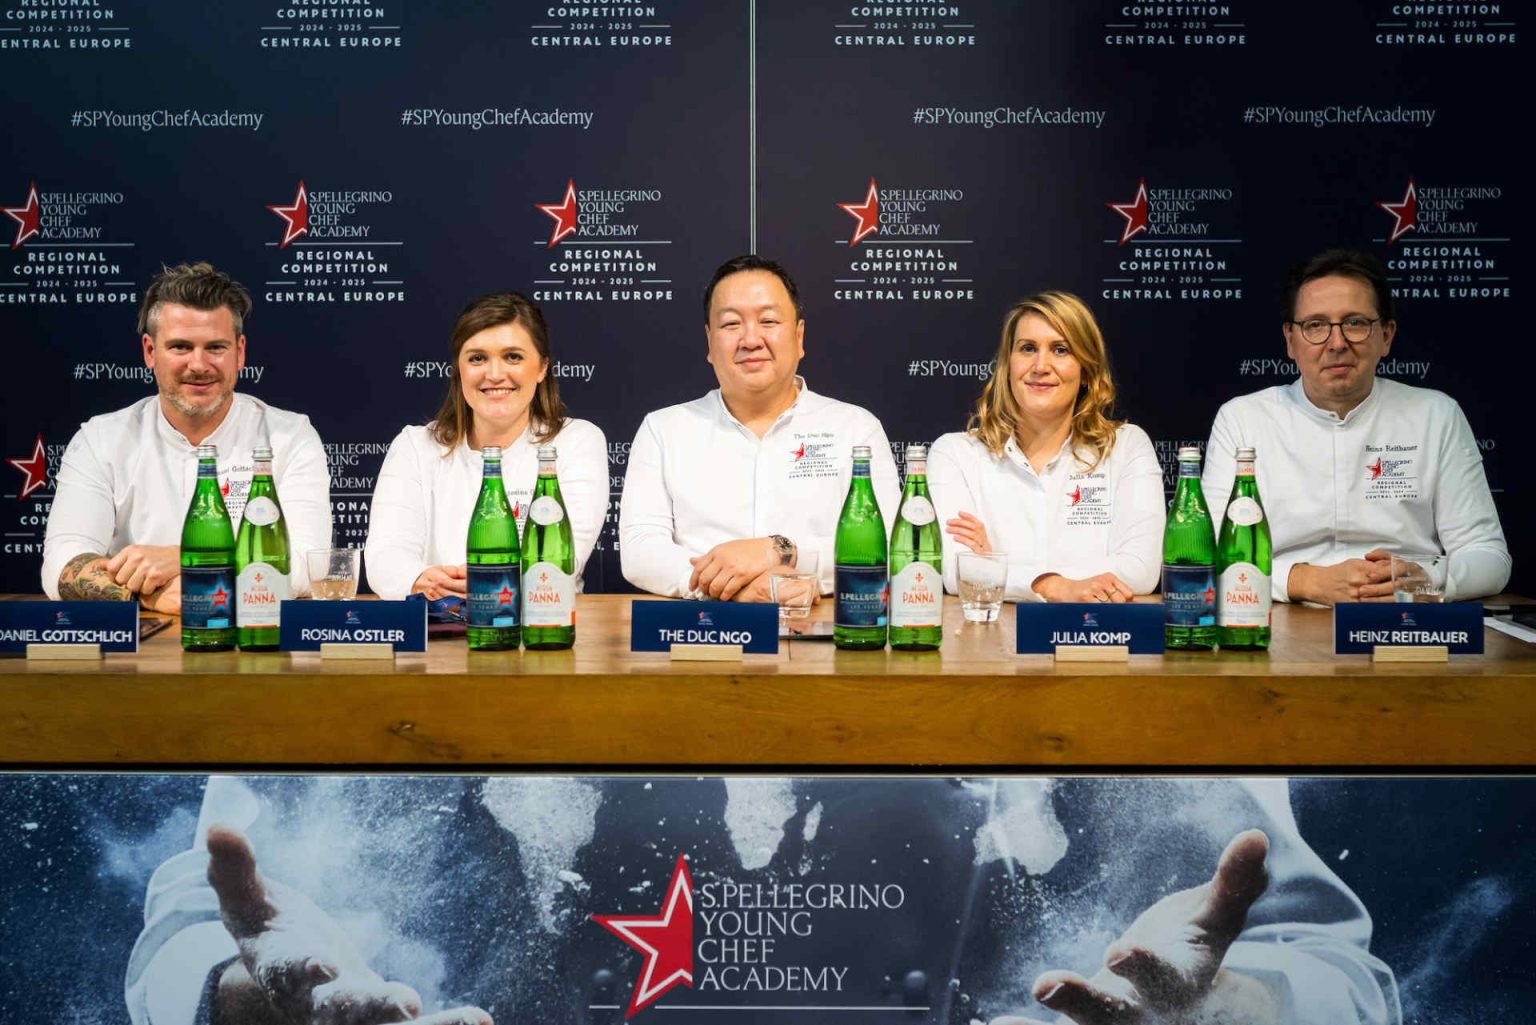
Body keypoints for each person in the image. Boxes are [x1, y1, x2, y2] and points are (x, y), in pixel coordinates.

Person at [123, 776, 1398, 1025]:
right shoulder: (428, 683)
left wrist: (1233, 1006)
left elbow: (1337, 972)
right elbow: (213, 910)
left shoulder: (1085, 715)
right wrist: (233, 1002)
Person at [1202, 249, 1510, 605]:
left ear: (1386, 336)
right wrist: (1303, 580)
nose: (1337, 343)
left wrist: (1429, 580)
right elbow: (1207, 555)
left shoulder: (1436, 415)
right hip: (1281, 620)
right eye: (1315, 325)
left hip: (1406, 618)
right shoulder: (1243, 419)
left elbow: (1489, 557)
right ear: (1290, 340)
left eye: (1355, 323)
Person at [41, 262, 332, 612]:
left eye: (215, 347)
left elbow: (303, 565)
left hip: (255, 642)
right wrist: (149, 595)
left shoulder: (290, 437)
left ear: (240, 352)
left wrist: (183, 560)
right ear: (150, 351)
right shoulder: (100, 439)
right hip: (134, 653)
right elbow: (63, 561)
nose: (198, 364)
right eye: (180, 347)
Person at [619, 255, 898, 600]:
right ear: (709, 342)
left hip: (827, 634)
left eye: (768, 321)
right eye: (731, 324)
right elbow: (640, 550)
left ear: (799, 336)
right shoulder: (663, 430)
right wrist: (730, 588)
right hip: (701, 632)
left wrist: (781, 553)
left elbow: (884, 546)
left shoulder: (855, 429)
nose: (751, 339)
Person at [364, 292, 607, 599]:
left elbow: (559, 563)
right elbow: (386, 556)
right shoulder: (415, 446)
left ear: (543, 367)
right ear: (459, 368)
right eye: (477, 358)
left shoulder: (576, 442)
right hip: (433, 628)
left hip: (540, 627)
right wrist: (419, 580)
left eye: (513, 357)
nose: (494, 374)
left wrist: (483, 587)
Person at [928, 291, 1164, 602]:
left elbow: (1141, 569)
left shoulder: (1127, 447)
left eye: (1061, 350)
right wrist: (1056, 586)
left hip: (1099, 641)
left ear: (1086, 370)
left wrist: (996, 564)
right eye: (1027, 348)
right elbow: (957, 573)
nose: (1041, 365)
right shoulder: (956, 454)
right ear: (1006, 365)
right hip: (990, 645)